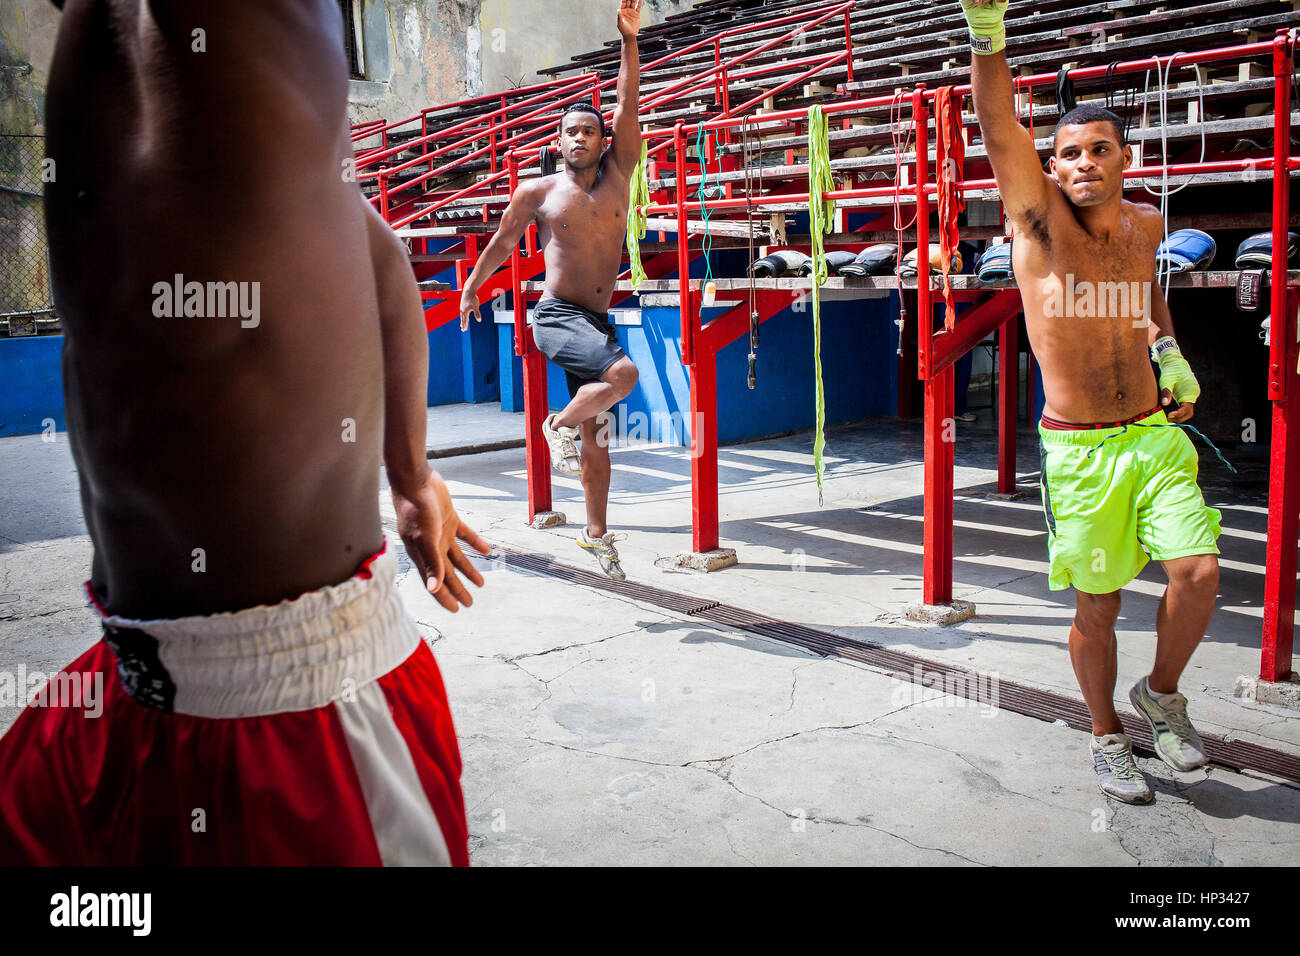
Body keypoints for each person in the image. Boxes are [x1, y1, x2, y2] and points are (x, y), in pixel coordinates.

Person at [0, 0, 489, 865]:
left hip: (294, 715)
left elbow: (370, 244)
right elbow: (370, 238)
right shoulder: (102, 35)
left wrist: (410, 474)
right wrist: (410, 477)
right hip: (121, 690)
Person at [961, 0, 1220, 803]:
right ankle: (1108, 735)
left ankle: (1162, 695)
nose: (1080, 163)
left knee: (1198, 572)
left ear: (1122, 157)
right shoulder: (1038, 224)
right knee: (1097, 604)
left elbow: (1147, 298)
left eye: (1097, 150)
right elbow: (1000, 126)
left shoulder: (1145, 225)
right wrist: (987, 35)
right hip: (1080, 450)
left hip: (1152, 434)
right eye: (1067, 152)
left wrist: (1170, 353)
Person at [460, 0, 644, 581]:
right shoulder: (537, 193)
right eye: (571, 131)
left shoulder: (620, 174)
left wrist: (629, 42)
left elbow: (627, 102)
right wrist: (471, 288)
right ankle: (553, 427)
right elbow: (500, 244)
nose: (581, 137)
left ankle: (596, 535)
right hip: (557, 317)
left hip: (596, 321)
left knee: (601, 441)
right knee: (623, 378)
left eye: (590, 130)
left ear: (602, 139)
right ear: (559, 140)